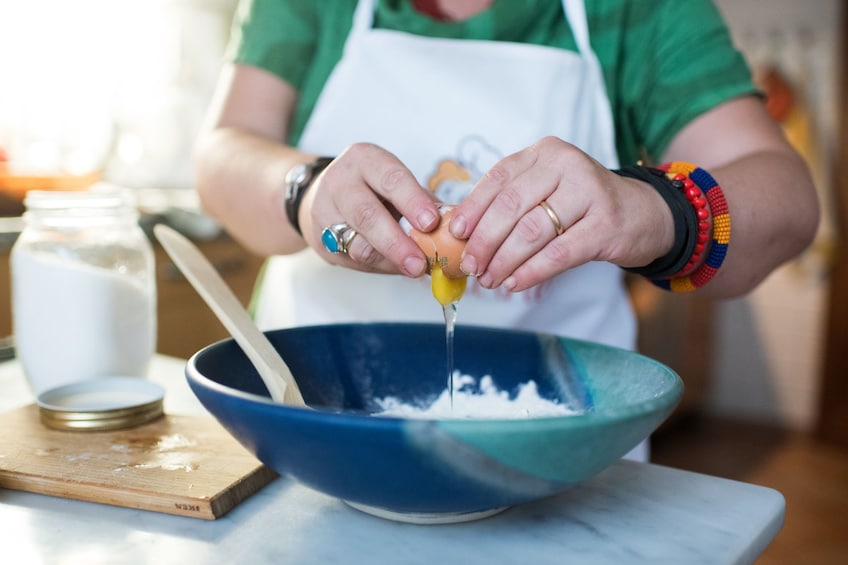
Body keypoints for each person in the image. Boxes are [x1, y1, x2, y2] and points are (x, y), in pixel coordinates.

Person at [194, 0, 819, 459]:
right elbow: (220, 157)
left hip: (557, 457)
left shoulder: (638, 12)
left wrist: (650, 210)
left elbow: (788, 201)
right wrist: (306, 192)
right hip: (308, 432)